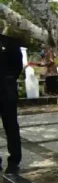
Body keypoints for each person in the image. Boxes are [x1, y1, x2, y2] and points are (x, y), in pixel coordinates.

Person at [0, 33, 23, 174]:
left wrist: (8, 79)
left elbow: (17, 66)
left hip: (6, 92)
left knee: (11, 128)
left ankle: (14, 161)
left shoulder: (9, 42)